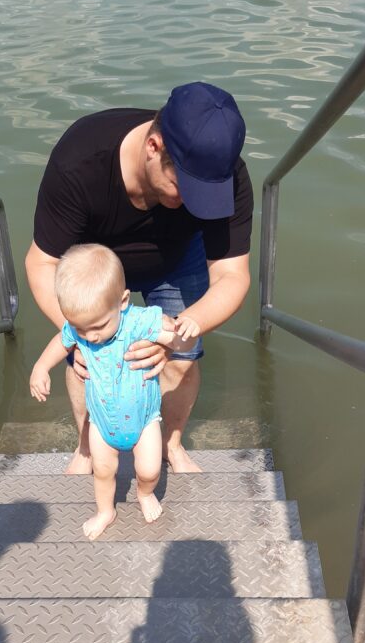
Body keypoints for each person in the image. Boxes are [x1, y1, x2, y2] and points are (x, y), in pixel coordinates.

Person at [25, 81, 253, 476]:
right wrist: (80, 333)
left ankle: (169, 444)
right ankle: (86, 447)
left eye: (205, 195)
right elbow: (41, 262)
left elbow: (232, 275)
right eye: (184, 187)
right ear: (153, 147)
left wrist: (181, 330)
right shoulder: (80, 161)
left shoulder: (225, 174)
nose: (191, 203)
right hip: (96, 263)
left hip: (179, 258)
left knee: (181, 357)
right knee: (86, 360)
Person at [29, 244, 198, 540]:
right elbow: (61, 341)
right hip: (102, 422)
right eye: (81, 329)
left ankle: (145, 494)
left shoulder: (138, 322)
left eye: (98, 326)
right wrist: (41, 367)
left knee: (149, 470)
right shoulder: (79, 328)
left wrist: (185, 334)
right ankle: (105, 510)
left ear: (122, 302)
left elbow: (177, 342)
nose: (89, 336)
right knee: (103, 472)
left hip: (144, 421)